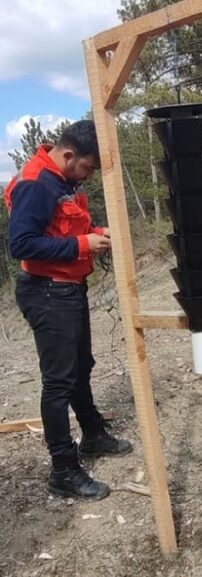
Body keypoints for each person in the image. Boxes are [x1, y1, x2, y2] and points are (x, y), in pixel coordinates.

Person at [4, 120, 132, 501]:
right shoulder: (36, 183)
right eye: (87, 168)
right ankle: (63, 469)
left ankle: (92, 435)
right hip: (46, 292)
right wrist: (82, 245)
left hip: (68, 290)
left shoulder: (64, 182)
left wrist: (95, 232)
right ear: (69, 154)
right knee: (58, 383)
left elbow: (62, 227)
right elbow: (22, 245)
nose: (89, 176)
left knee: (80, 368)